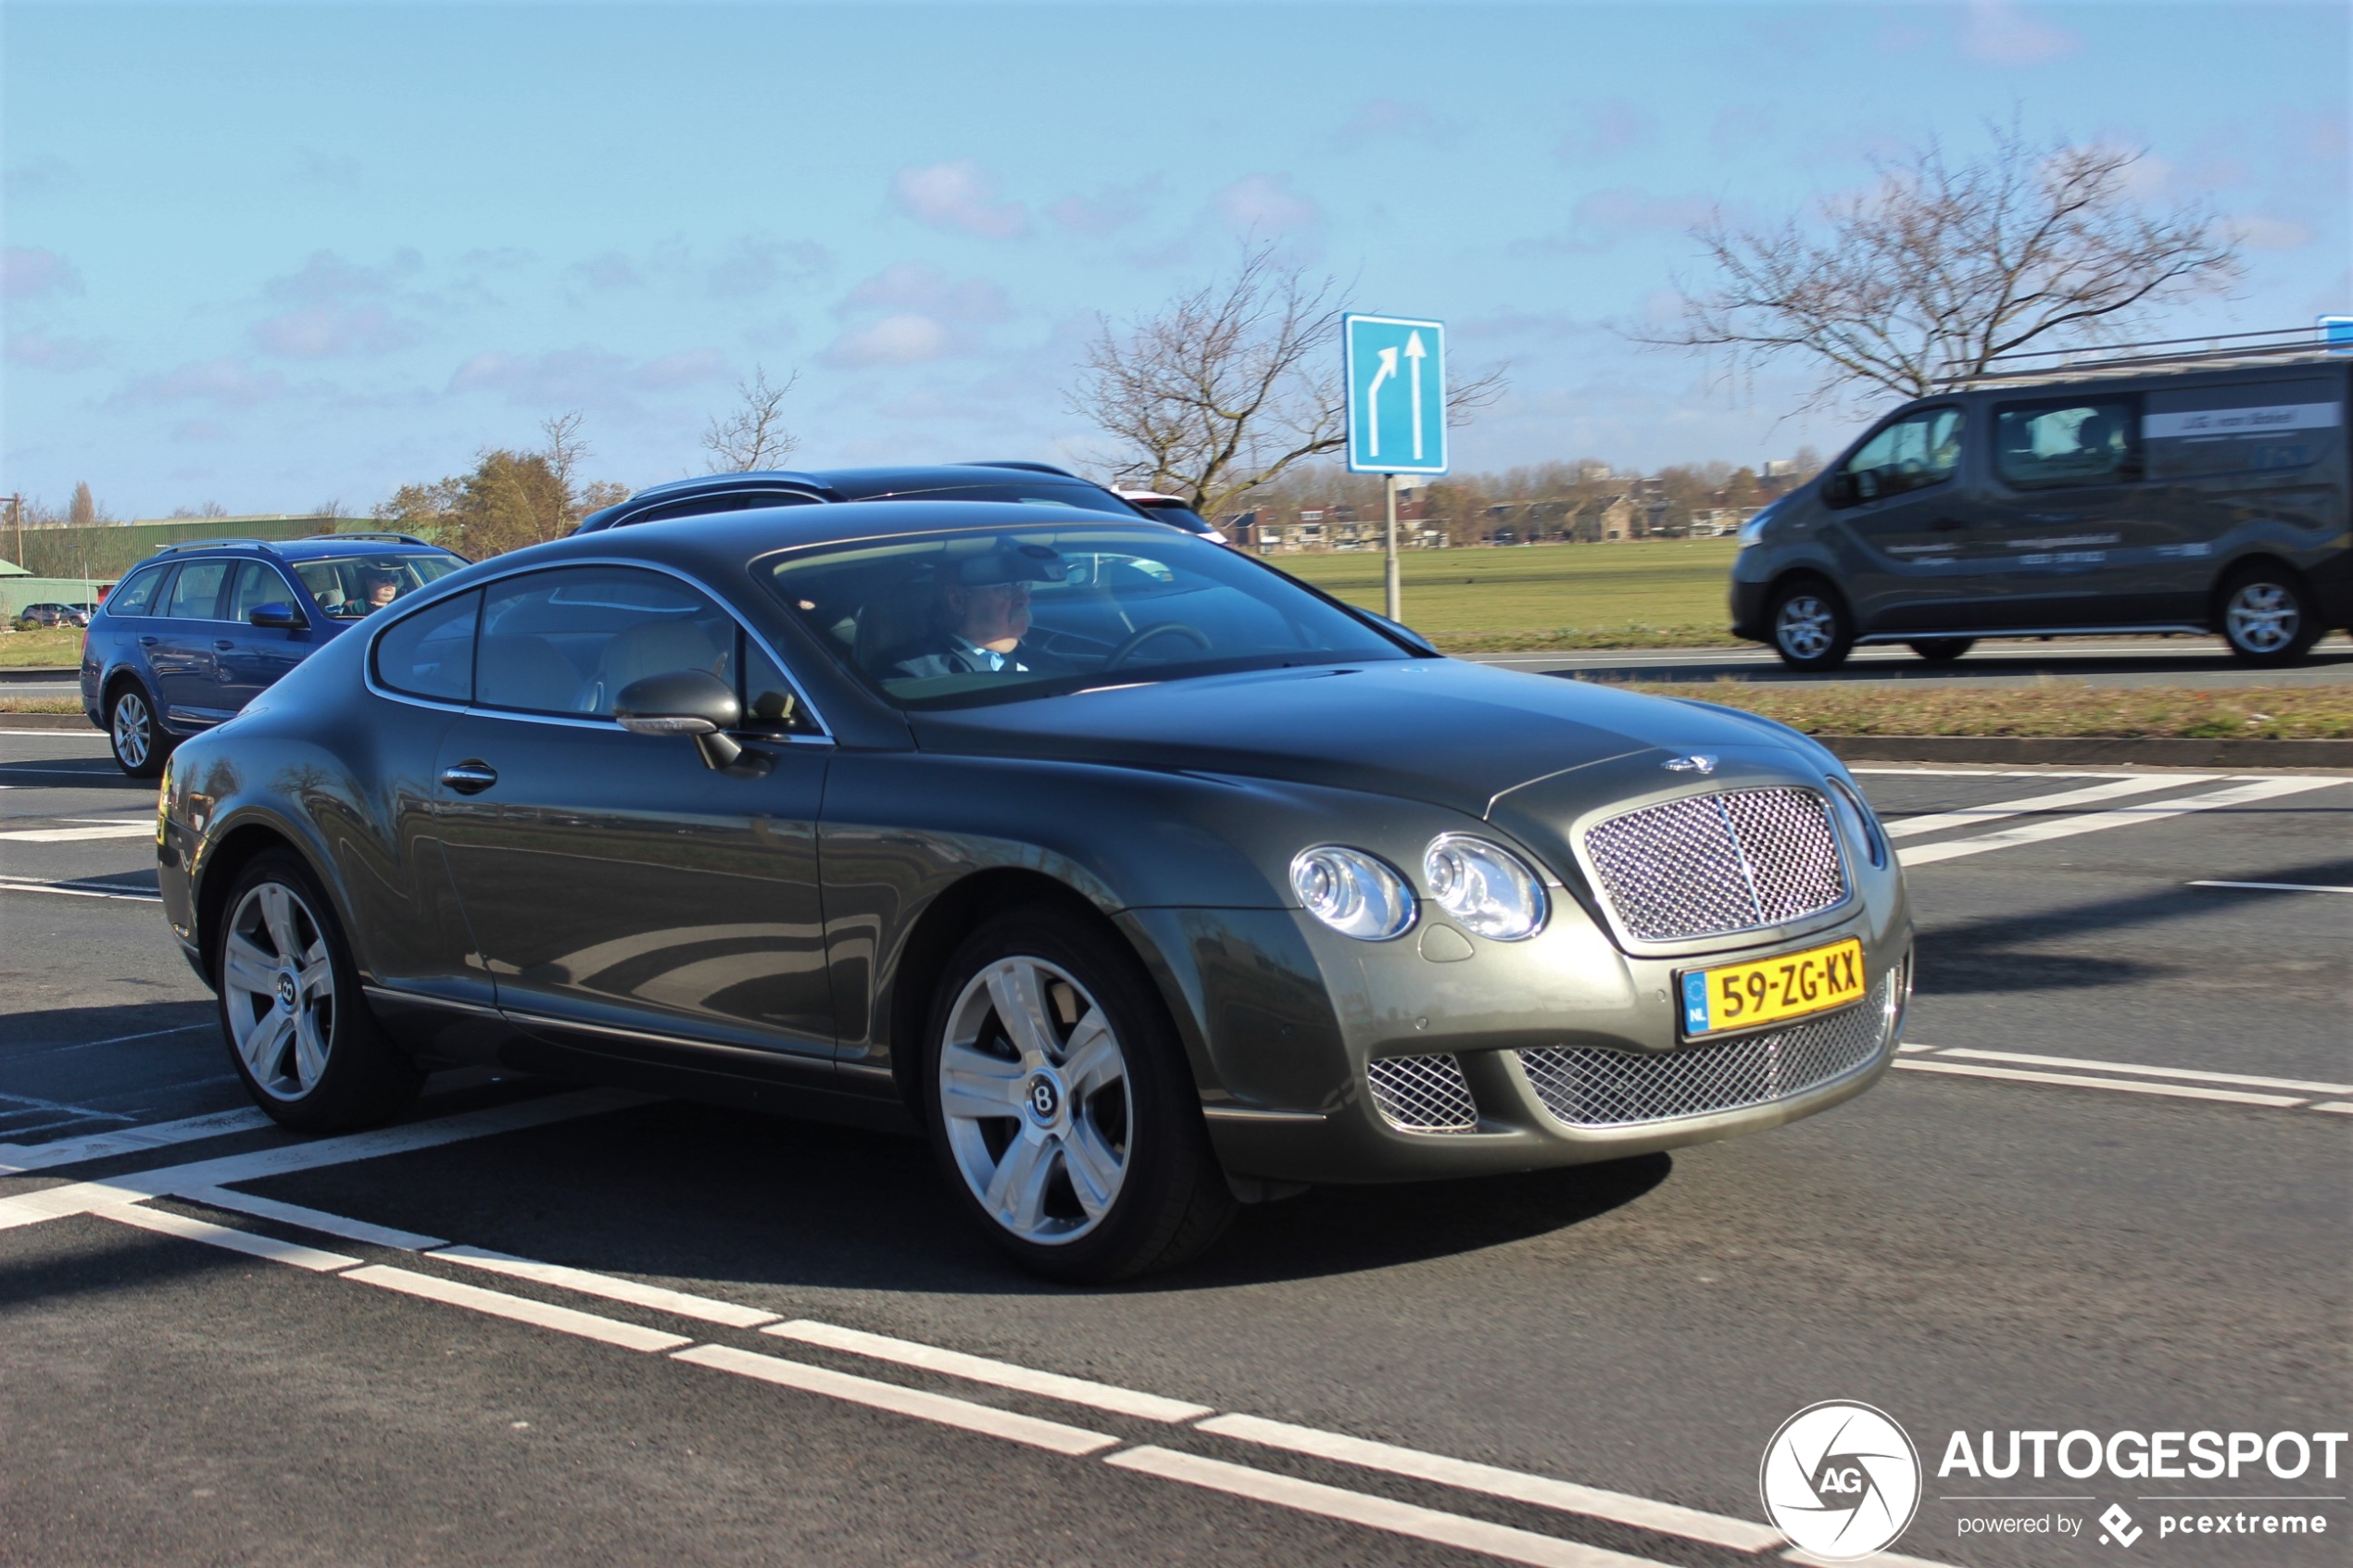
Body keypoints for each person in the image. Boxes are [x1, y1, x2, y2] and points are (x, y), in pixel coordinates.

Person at [890, 544, 1066, 679]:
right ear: (957, 600)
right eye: (1008, 588)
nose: (1024, 599)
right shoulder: (914, 675)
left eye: (1025, 586)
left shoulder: (1046, 662)